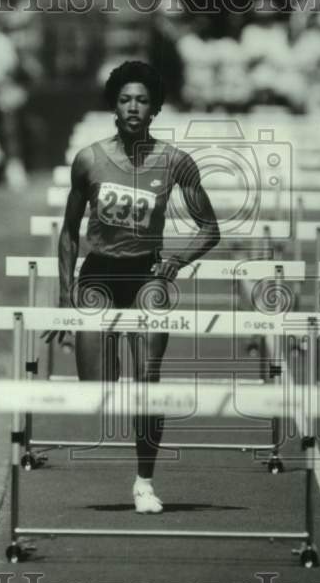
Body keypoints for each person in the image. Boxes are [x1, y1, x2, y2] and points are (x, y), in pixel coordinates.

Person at [58, 61, 220, 514]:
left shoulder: (175, 162)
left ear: (155, 109)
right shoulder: (89, 160)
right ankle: (111, 365)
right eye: (126, 99)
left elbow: (210, 228)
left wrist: (176, 260)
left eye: (142, 101)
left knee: (148, 383)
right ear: (114, 105)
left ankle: (144, 482)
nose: (133, 107)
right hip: (98, 276)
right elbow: (68, 232)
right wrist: (64, 296)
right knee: (95, 393)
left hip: (147, 275)